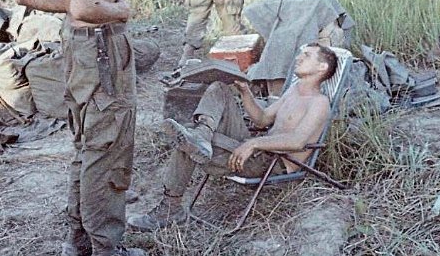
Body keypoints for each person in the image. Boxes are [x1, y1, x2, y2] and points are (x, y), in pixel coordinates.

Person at [15, 0, 145, 256]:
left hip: (77, 46)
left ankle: (78, 240)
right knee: (108, 146)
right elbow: (86, 6)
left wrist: (72, 7)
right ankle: (107, 247)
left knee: (87, 143)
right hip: (102, 47)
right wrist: (119, 12)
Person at [128, 43, 338, 231]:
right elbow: (262, 120)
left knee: (186, 141)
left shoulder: (319, 103)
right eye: (301, 53)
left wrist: (255, 143)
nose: (299, 57)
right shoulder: (293, 91)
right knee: (219, 87)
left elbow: (297, 142)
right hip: (256, 150)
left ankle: (170, 209)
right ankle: (203, 133)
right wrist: (245, 92)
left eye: (307, 55)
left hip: (271, 163)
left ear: (322, 68)